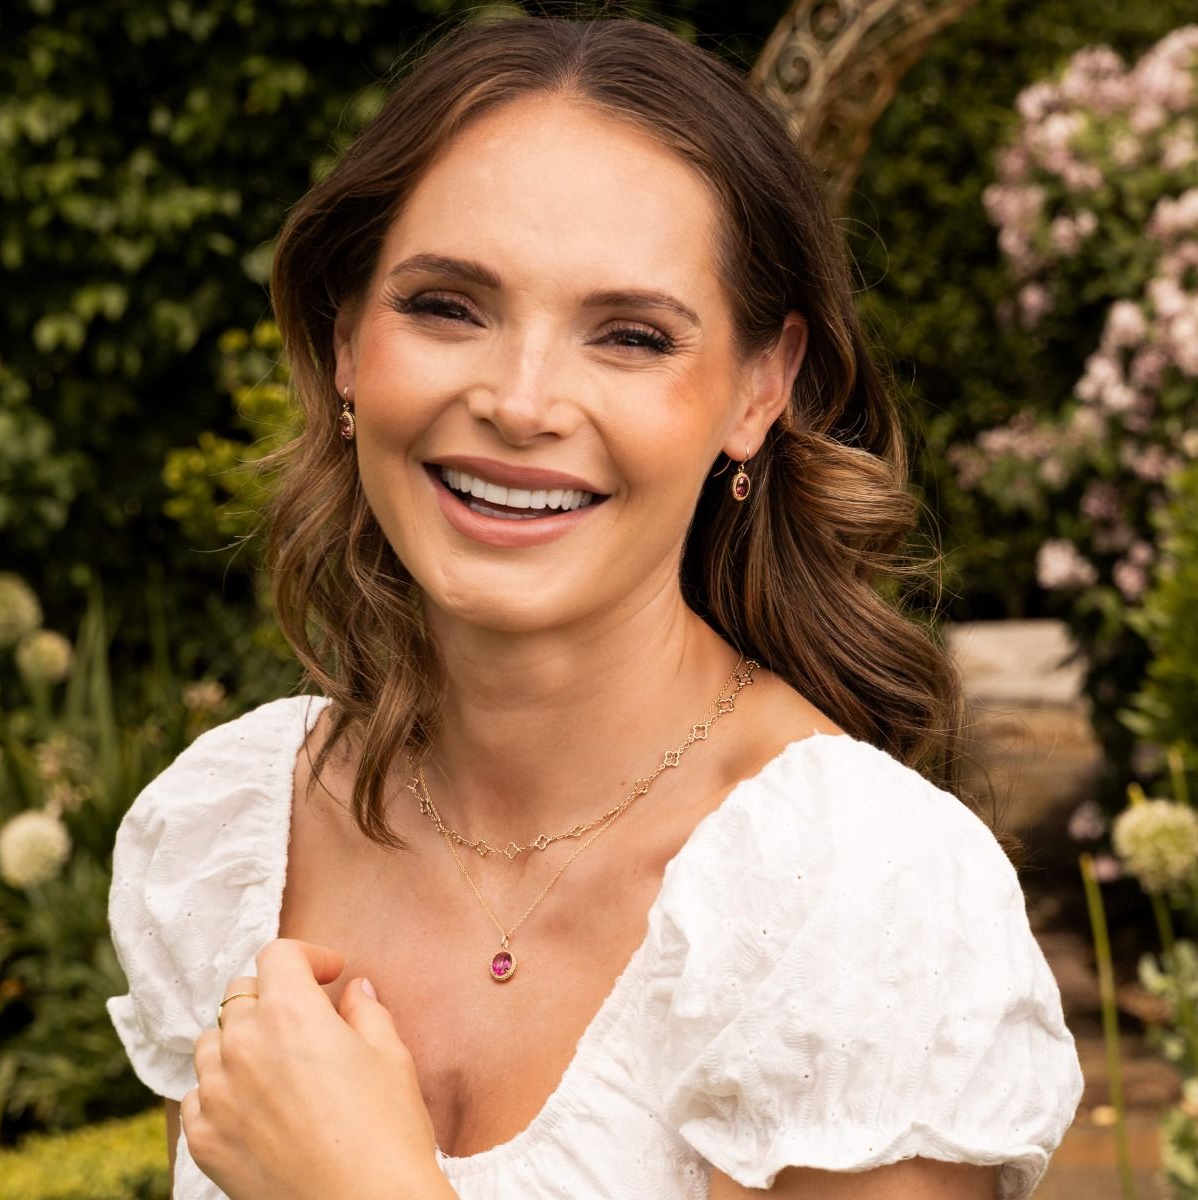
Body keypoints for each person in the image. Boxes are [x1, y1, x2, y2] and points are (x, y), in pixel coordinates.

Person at [106, 11, 1085, 1199]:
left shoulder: (852, 900)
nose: (521, 402)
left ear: (759, 390)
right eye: (447, 306)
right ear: (347, 339)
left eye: (630, 336)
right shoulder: (228, 839)